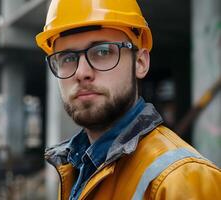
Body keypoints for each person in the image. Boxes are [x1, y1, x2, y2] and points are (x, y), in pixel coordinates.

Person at [35, 0, 221, 199]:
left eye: (103, 52)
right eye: (67, 58)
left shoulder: (182, 180)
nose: (81, 72)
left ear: (140, 62)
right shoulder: (76, 166)